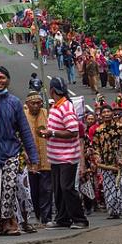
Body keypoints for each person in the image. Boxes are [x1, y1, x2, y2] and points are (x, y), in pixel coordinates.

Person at [0, 67, 39, 236]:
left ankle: (8, 222)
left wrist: (33, 157)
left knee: (8, 188)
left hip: (11, 153)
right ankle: (1, 224)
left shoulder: (14, 102)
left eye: (2, 78)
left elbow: (24, 131)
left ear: (8, 80)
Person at [39, 77, 89, 229]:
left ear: (52, 90)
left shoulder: (65, 107)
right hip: (55, 157)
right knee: (59, 189)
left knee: (67, 188)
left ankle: (80, 219)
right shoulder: (55, 106)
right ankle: (62, 219)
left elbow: (73, 131)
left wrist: (52, 133)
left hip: (67, 156)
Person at [93, 106, 122, 219]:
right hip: (106, 164)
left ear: (112, 113)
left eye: (108, 111)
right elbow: (95, 147)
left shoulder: (121, 128)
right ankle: (113, 211)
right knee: (109, 188)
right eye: (104, 112)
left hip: (120, 163)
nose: (106, 114)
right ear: (101, 115)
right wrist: (97, 158)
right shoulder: (98, 131)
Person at [24, 91, 53, 225]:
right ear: (27, 104)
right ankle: (37, 215)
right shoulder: (23, 117)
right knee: (34, 191)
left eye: (38, 103)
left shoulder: (47, 114)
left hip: (47, 159)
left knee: (46, 189)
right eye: (33, 103)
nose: (36, 106)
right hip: (30, 161)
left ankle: (46, 217)